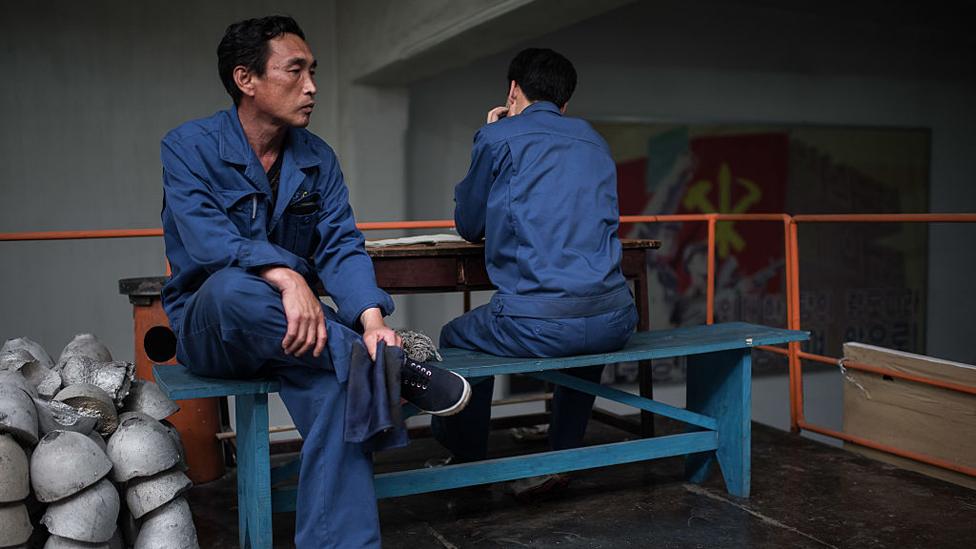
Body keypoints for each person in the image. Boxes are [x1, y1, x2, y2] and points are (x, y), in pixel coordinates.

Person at [159, 16, 470, 548]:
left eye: (313, 71)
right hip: (215, 326)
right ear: (246, 79)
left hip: (300, 337)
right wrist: (285, 277)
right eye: (295, 70)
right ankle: (390, 370)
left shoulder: (316, 158)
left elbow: (340, 245)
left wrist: (372, 320)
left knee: (338, 393)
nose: (312, 86)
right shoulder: (188, 147)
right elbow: (209, 241)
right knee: (234, 289)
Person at [431, 48, 638, 495]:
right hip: (617, 318)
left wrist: (490, 133)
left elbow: (469, 225)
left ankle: (466, 457)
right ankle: (562, 452)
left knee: (455, 336)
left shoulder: (499, 136)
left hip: (539, 323)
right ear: (565, 103)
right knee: (585, 325)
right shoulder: (594, 142)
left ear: (513, 91)